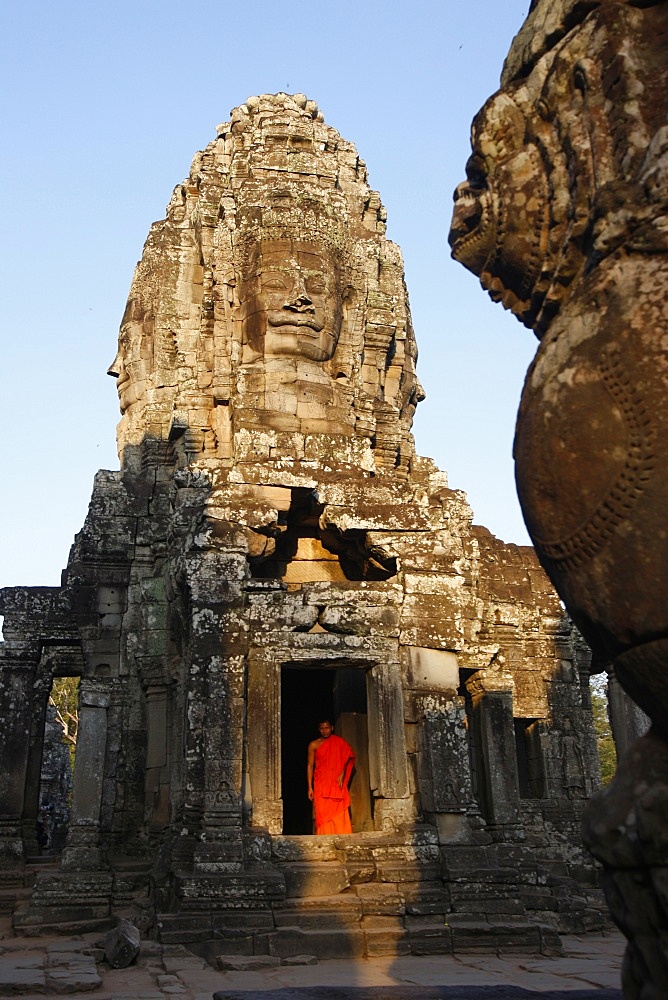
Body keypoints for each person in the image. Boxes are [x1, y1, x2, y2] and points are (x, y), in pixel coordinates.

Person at [307, 719, 355, 834]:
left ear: (332, 728)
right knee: (322, 812)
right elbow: (310, 765)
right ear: (319, 729)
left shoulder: (339, 742)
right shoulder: (314, 745)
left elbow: (348, 757)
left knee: (338, 810)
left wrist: (343, 772)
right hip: (321, 783)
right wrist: (310, 787)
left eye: (327, 728)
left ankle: (342, 835)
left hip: (335, 782)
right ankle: (324, 837)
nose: (325, 731)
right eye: (322, 728)